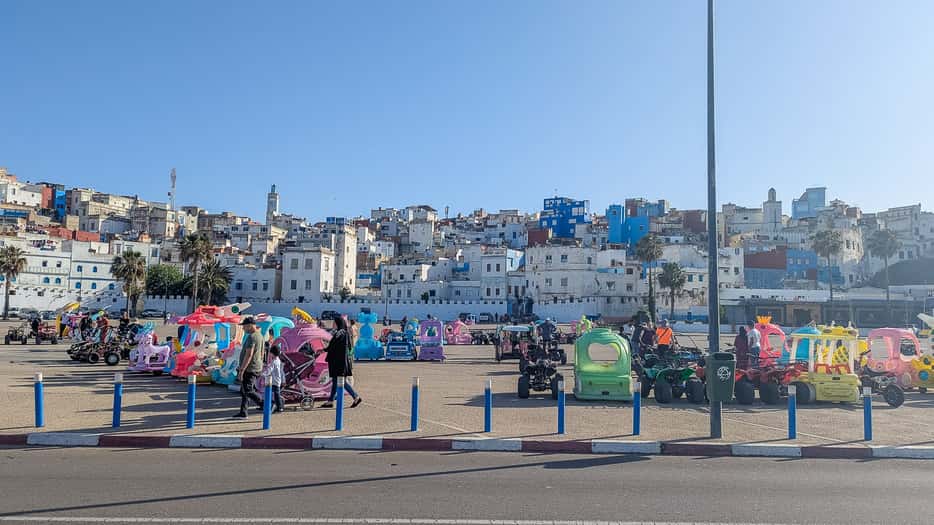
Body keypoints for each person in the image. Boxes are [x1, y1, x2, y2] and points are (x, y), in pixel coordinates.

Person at [321, 315, 362, 409]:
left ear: (338, 323)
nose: (332, 324)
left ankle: (355, 396)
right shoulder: (342, 332)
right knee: (336, 381)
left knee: (340, 381)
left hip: (339, 362)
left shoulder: (341, 333)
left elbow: (333, 345)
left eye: (334, 322)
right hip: (339, 361)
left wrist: (324, 350)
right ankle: (331, 401)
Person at [233, 317, 266, 419]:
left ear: (250, 325)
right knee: (244, 391)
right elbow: (262, 352)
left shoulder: (252, 337)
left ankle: (265, 404)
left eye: (244, 326)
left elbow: (249, 355)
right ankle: (243, 412)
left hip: (250, 368)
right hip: (256, 367)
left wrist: (242, 369)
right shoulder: (260, 336)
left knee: (248, 390)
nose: (243, 329)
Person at [266, 345, 285, 413]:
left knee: (276, 394)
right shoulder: (278, 360)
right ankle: (277, 406)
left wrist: (263, 374)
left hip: (274, 381)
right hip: (277, 380)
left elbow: (269, 370)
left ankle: (279, 407)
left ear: (272, 353)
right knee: (276, 394)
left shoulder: (274, 361)